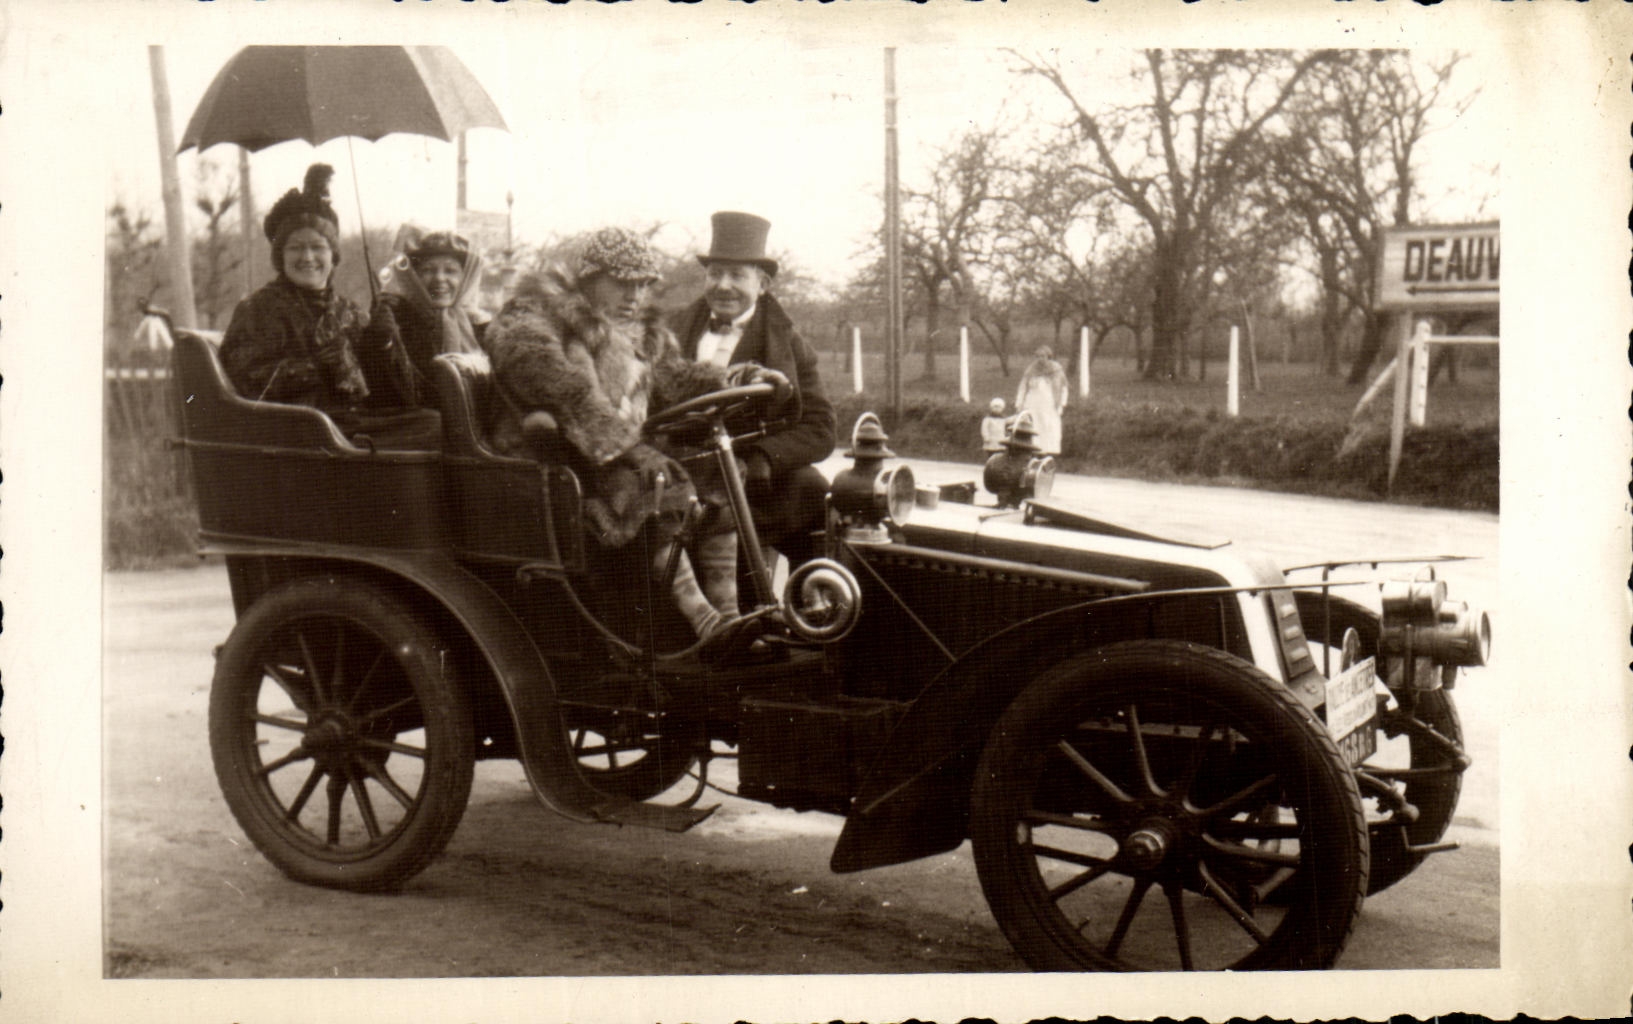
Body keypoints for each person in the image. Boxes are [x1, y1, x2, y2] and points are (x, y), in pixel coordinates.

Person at [486, 227, 789, 652]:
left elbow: (677, 379)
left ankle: (732, 616)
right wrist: (623, 445)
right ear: (591, 278)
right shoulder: (536, 315)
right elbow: (552, 382)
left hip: (614, 454)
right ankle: (703, 621)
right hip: (557, 457)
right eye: (623, 284)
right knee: (653, 482)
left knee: (718, 470)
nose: (634, 295)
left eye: (643, 285)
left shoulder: (642, 331)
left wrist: (740, 378)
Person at [219, 164, 439, 448]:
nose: (308, 257)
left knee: (434, 423)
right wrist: (313, 367)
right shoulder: (258, 309)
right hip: (300, 432)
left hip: (351, 426)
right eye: (296, 247)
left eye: (318, 247)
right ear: (281, 257)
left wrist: (384, 344)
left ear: (332, 256)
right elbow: (245, 383)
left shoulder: (351, 312)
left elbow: (391, 395)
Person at [670, 211, 836, 568]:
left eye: (737, 275)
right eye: (715, 274)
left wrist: (763, 457)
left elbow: (820, 428)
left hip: (749, 482)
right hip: (678, 471)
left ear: (763, 284)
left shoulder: (788, 343)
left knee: (817, 498)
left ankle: (813, 605)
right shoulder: (671, 331)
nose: (723, 285)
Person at [357, 225, 489, 410]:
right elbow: (382, 389)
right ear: (414, 276)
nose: (439, 279)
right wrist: (382, 342)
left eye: (450, 271)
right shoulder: (396, 318)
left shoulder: (484, 328)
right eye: (428, 270)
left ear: (465, 277)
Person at [1015, 344, 1068, 456]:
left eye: (1043, 356)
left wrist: (1061, 404)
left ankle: (1049, 451)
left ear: (1048, 356)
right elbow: (1023, 387)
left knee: (1048, 425)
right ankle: (1034, 450)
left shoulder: (1056, 370)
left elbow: (1063, 388)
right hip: (1033, 402)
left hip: (1049, 402)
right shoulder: (1031, 370)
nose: (1040, 359)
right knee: (1034, 424)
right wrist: (1019, 402)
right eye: (1038, 356)